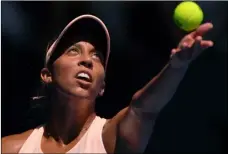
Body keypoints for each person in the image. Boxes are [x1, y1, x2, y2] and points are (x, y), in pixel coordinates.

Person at [2, 14, 213, 153]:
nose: (86, 61)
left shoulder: (113, 138)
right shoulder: (10, 148)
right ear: (47, 75)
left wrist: (177, 66)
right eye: (73, 51)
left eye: (97, 57)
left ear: (102, 86)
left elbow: (142, 108)